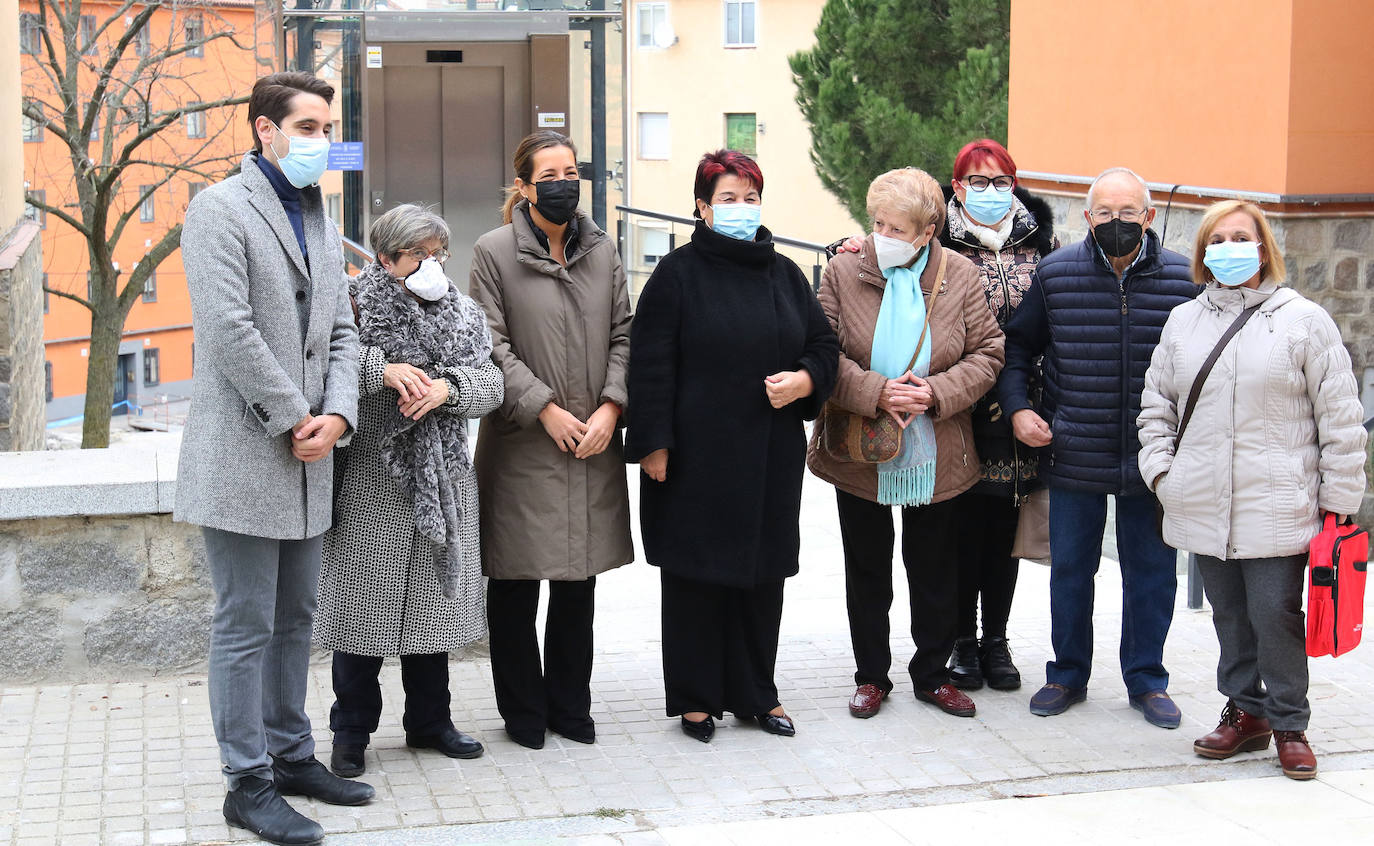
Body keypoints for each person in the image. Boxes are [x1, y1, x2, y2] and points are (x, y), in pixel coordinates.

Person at [176, 71, 372, 846]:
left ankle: (293, 756)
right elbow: (227, 327)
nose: (322, 141)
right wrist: (296, 414)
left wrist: (339, 415)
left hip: (314, 451)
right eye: (310, 126)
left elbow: (346, 331)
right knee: (244, 622)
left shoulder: (318, 213)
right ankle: (246, 782)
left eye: (327, 128)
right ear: (265, 129)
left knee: (295, 618)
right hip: (245, 452)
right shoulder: (218, 208)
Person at [1139, 200, 1367, 778]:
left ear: (1263, 248)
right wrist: (1163, 475)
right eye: (1218, 239)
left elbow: (1339, 418)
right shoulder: (1183, 321)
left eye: (1241, 237)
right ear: (1203, 253)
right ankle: (1246, 711)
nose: (1229, 248)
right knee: (1230, 617)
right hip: (1202, 500)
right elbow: (1156, 407)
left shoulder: (1303, 320)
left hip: (1280, 505)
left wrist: (1340, 504)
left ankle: (1291, 722)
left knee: (1277, 616)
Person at [626, 150, 839, 743]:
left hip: (768, 456)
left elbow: (824, 347)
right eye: (728, 198)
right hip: (694, 458)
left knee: (761, 577)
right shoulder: (676, 274)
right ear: (702, 206)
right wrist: (653, 446)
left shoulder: (786, 274)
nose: (741, 209)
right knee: (696, 580)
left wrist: (804, 380)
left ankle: (755, 694)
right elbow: (650, 366)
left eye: (750, 198)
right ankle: (696, 700)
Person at [997, 166, 1199, 728]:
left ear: (1149, 216)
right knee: (1070, 570)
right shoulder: (1056, 275)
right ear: (1087, 217)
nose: (1116, 222)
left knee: (1152, 573)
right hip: (1073, 448)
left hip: (1153, 458)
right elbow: (1016, 349)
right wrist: (1019, 410)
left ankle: (1147, 679)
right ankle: (1066, 674)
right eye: (1105, 213)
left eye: (1128, 212)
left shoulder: (1185, 281)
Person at [313, 204, 504, 778]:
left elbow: (491, 381)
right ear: (385, 258)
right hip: (372, 477)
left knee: (432, 610)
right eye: (418, 254)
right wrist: (384, 371)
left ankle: (430, 722)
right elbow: (328, 365)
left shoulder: (463, 311)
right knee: (360, 613)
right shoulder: (351, 305)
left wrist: (447, 389)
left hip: (443, 479)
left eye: (438, 253)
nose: (431, 264)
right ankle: (351, 731)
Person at [807, 167, 1004, 721]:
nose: (881, 236)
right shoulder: (843, 270)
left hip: (937, 446)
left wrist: (936, 392)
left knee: (935, 566)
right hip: (859, 446)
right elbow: (821, 350)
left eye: (897, 228)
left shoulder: (961, 275)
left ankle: (932, 674)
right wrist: (875, 391)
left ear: (927, 231)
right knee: (866, 566)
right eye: (877, 223)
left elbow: (988, 352)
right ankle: (871, 675)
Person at [469, 130, 634, 751]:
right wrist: (546, 410)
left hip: (594, 438)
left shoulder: (603, 250)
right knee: (514, 583)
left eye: (572, 171)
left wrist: (612, 407)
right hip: (523, 443)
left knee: (577, 580)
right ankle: (522, 709)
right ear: (524, 186)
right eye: (551, 174)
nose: (565, 183)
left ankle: (571, 704)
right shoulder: (492, 253)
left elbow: (624, 333)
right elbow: (490, 346)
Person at [940, 140, 1057, 691]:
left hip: (1019, 404)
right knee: (961, 528)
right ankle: (961, 639)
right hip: (958, 401)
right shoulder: (935, 237)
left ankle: (996, 639)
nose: (990, 192)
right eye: (977, 181)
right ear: (957, 186)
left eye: (1000, 181)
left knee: (1005, 525)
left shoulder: (1042, 239)